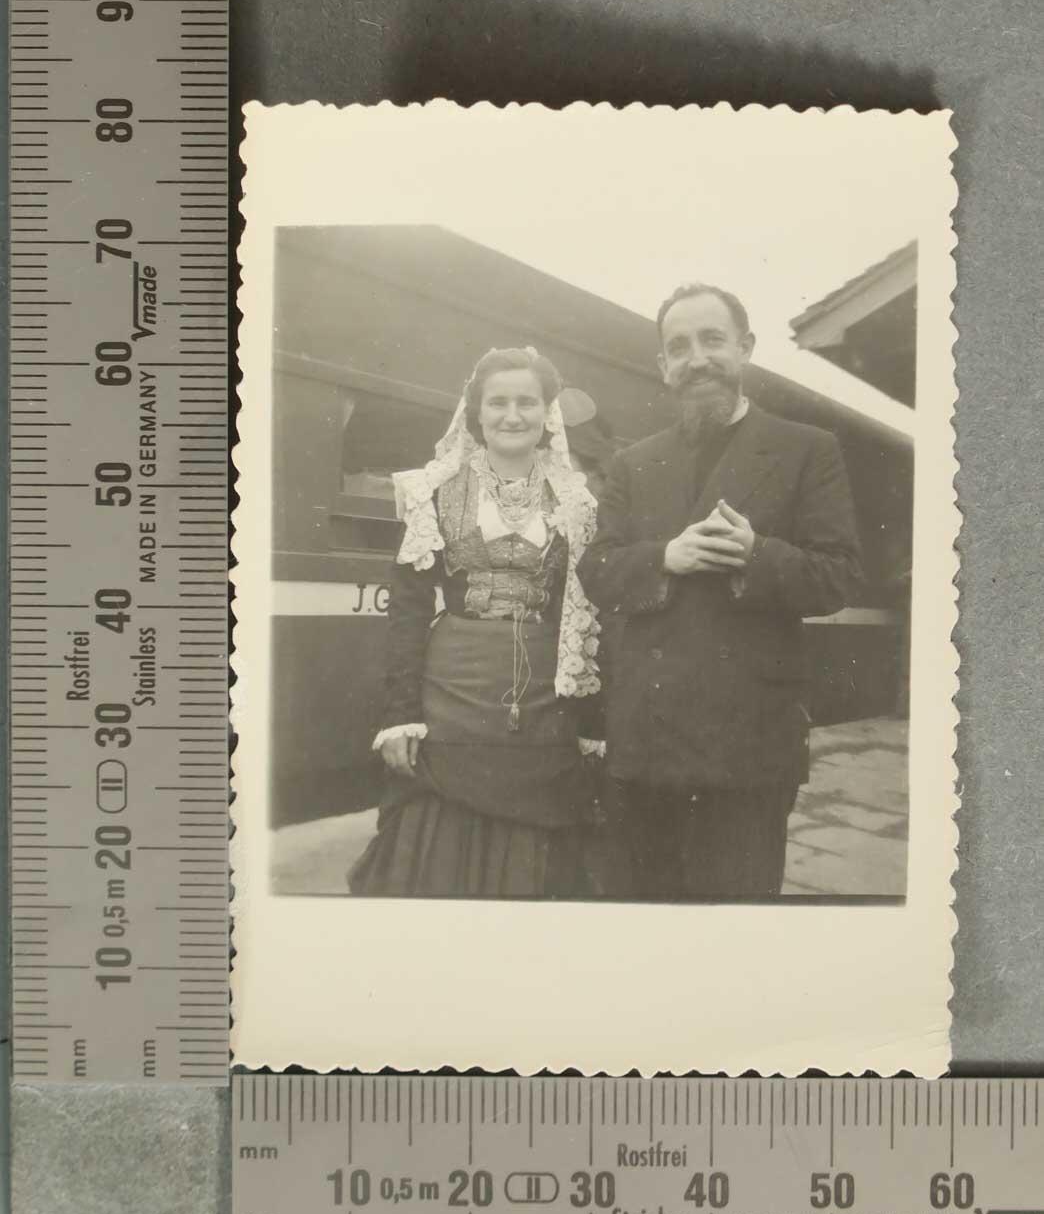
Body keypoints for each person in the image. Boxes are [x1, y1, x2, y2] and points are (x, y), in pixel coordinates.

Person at [576, 282, 863, 901]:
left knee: (735, 924)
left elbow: (837, 576)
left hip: (748, 750)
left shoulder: (807, 450)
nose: (697, 358)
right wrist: (665, 557)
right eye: (679, 347)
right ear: (664, 367)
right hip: (643, 747)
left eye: (712, 340)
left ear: (746, 349)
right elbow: (596, 569)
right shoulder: (635, 463)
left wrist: (757, 556)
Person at [349, 346, 603, 899]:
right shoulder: (433, 492)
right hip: (452, 690)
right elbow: (409, 610)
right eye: (499, 402)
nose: (513, 415)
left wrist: (591, 721)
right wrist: (399, 717)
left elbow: (584, 612)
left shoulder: (578, 502)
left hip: (542, 695)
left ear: (546, 414)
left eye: (527, 402)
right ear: (477, 413)